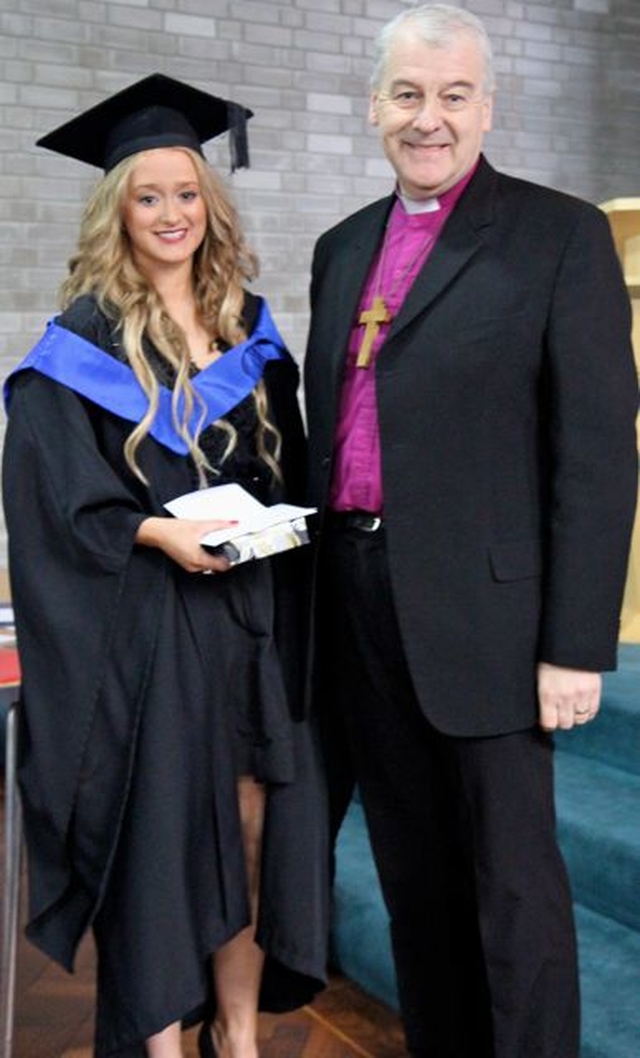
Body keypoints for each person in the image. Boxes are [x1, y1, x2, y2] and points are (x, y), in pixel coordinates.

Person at [304, 5, 638, 1057]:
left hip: (491, 620)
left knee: (511, 887)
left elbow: (594, 454)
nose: (428, 118)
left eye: (453, 95)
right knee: (411, 873)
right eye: (407, 93)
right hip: (359, 599)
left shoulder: (558, 235)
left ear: (487, 106)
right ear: (374, 106)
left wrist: (575, 643)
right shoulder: (340, 246)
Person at [2, 74, 328, 1058]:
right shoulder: (80, 346)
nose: (172, 214)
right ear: (118, 210)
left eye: (187, 193)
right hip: (151, 632)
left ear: (209, 203)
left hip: (254, 620)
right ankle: (159, 1037)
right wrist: (149, 532)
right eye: (149, 197)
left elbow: (292, 466)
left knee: (253, 829)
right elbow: (50, 495)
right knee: (163, 839)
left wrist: (275, 523)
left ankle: (235, 1028)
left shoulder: (249, 329)